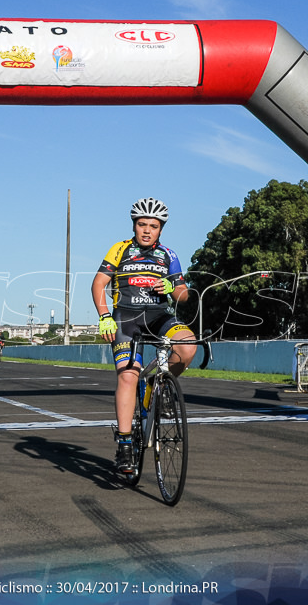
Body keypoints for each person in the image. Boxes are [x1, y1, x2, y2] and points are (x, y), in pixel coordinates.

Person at [91, 197, 196, 473]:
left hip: (160, 316)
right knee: (128, 375)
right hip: (126, 318)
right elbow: (99, 284)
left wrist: (171, 287)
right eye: (142, 224)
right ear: (134, 225)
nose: (147, 230)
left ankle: (159, 388)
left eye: (153, 225)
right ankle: (125, 444)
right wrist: (104, 317)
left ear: (161, 228)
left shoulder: (169, 255)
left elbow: (182, 294)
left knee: (188, 347)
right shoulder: (120, 249)